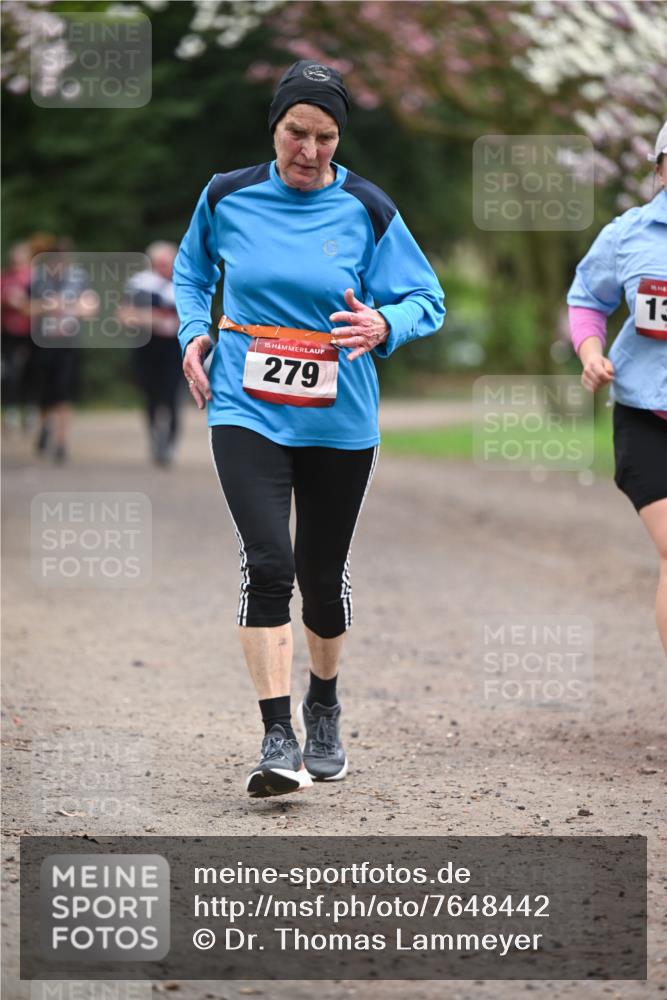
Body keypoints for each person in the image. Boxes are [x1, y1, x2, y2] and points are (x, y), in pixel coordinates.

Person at [174, 60, 445, 799]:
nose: (310, 150)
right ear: (275, 127)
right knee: (268, 564)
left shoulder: (367, 206)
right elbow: (191, 273)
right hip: (244, 407)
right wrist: (194, 331)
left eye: (326, 137)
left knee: (321, 579)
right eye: (298, 132)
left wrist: (386, 320)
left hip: (338, 418)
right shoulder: (226, 195)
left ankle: (322, 704)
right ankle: (277, 735)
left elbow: (428, 297)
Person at [567, 120, 667, 656]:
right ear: (659, 168)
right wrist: (590, 354)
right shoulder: (627, 235)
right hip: (646, 417)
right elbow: (587, 298)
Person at [119, 242, 182, 466]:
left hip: (174, 346)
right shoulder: (140, 284)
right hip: (147, 345)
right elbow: (125, 315)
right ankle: (155, 438)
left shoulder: (183, 282)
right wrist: (154, 319)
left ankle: (170, 443)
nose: (165, 267)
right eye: (161, 263)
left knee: (173, 395)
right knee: (151, 395)